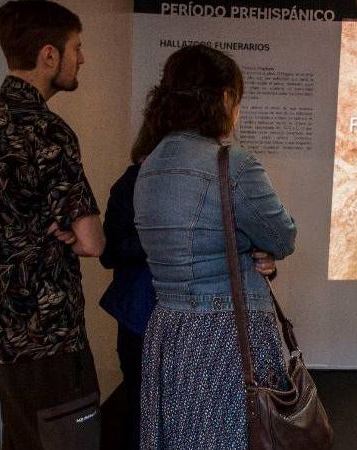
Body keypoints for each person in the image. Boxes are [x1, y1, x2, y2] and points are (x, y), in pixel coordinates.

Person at [134, 44, 297, 449]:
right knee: (234, 435)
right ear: (225, 98)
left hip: (169, 331)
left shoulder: (148, 165)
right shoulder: (232, 163)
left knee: (183, 436)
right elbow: (282, 237)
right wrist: (260, 251)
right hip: (225, 332)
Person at [0, 2, 105, 449]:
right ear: (49, 55)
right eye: (75, 48)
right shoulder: (49, 131)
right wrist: (73, 236)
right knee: (68, 440)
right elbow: (91, 240)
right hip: (49, 332)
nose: (80, 58)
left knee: (22, 439)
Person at [99, 139, 278, 450]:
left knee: (208, 416)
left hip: (202, 323)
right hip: (143, 316)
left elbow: (254, 243)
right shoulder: (134, 182)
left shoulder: (215, 182)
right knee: (146, 412)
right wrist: (170, 240)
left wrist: (263, 261)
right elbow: (109, 252)